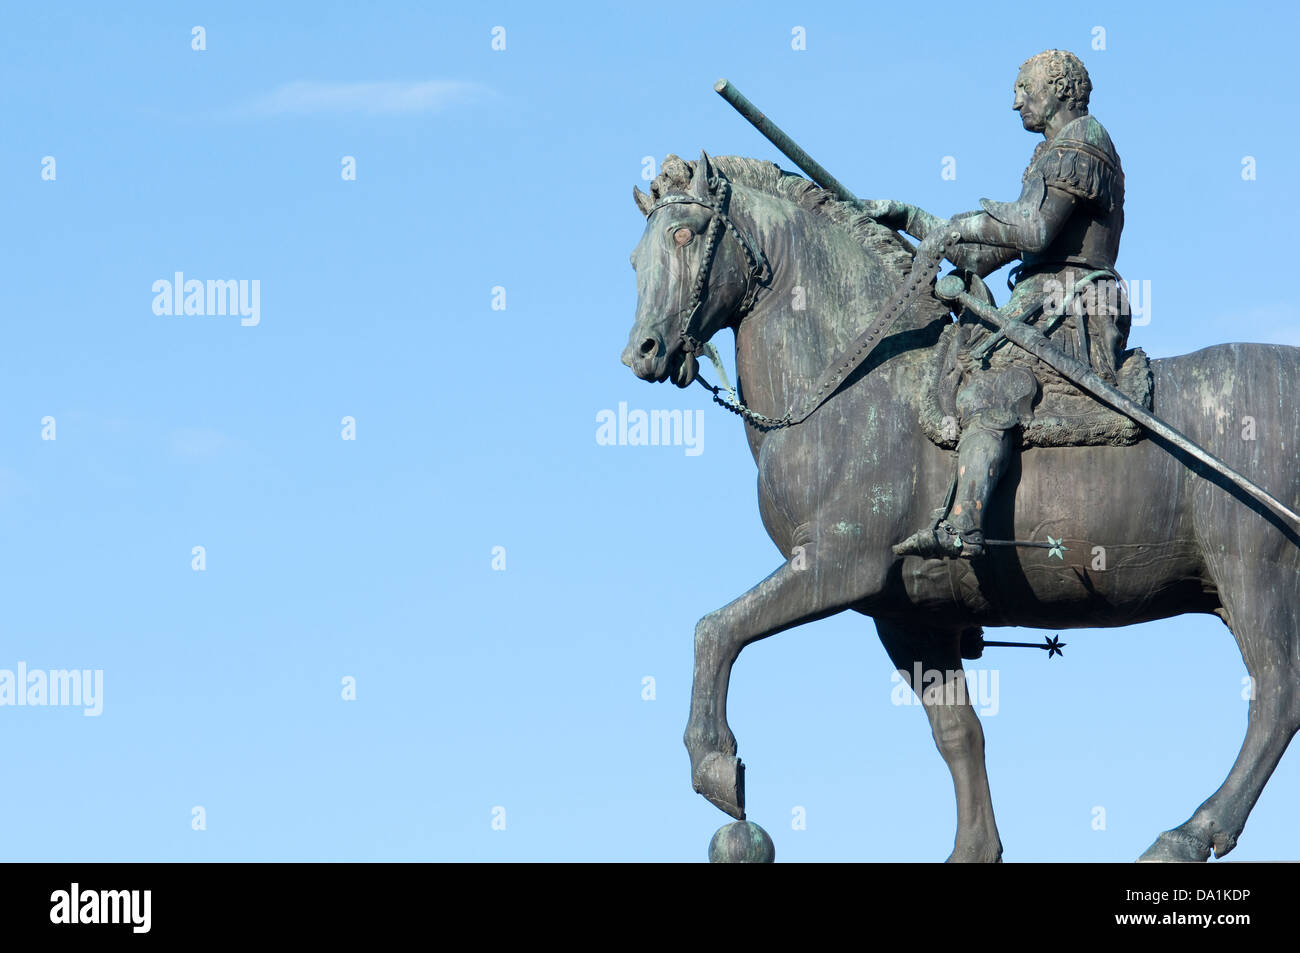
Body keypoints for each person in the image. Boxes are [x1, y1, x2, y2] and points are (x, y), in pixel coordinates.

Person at [863, 49, 1127, 558]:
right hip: (1042, 301)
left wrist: (955, 225)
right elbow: (987, 255)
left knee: (990, 389)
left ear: (1062, 88)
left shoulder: (1082, 142)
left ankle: (965, 525)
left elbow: (1031, 229)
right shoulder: (1052, 153)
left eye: (1025, 89)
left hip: (1071, 305)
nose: (1016, 103)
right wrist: (911, 218)